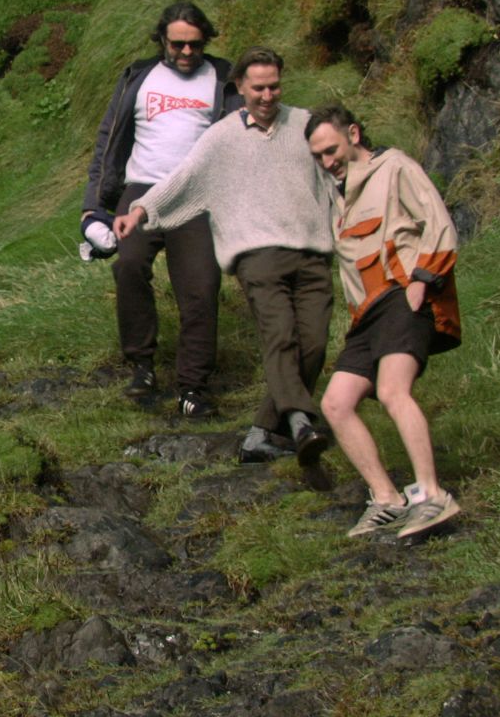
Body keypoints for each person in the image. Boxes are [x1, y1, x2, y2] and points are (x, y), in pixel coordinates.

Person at [115, 47, 335, 465]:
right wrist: (140, 210)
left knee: (314, 344)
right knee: (280, 336)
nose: (267, 96)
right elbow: (184, 179)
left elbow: (337, 169)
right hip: (257, 255)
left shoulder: (305, 124)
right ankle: (300, 422)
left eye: (274, 87)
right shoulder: (221, 137)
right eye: (259, 88)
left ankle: (262, 432)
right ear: (240, 88)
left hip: (312, 252)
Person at [306, 105, 463, 539]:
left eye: (331, 150)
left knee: (394, 390)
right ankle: (387, 499)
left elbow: (439, 223)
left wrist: (422, 282)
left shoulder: (394, 167)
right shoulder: (338, 196)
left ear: (354, 134)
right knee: (336, 404)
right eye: (318, 156)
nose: (327, 162)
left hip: (401, 294)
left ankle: (432, 494)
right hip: (367, 316)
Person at [82, 2, 239, 416]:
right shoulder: (138, 76)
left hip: (196, 195)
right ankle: (142, 366)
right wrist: (92, 207)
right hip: (140, 191)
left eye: (195, 44)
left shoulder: (223, 78)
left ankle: (192, 388)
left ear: (205, 41)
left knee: (201, 286)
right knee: (129, 267)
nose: (186, 52)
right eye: (177, 44)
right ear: (162, 41)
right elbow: (107, 140)